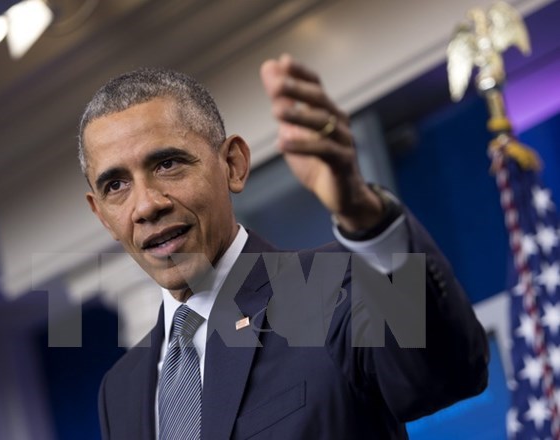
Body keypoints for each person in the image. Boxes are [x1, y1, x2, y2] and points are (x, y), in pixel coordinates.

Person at [79, 54, 489, 439]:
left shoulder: (334, 286)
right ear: (100, 215)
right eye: (116, 185)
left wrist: (364, 214)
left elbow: (446, 374)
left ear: (233, 165)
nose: (147, 204)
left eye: (167, 164)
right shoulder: (120, 390)